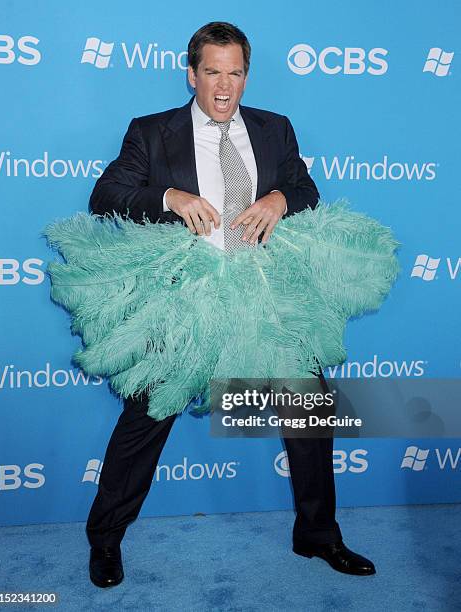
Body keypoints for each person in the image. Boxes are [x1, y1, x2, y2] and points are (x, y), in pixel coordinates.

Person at [86, 21, 376, 588]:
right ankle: (105, 540)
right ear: (191, 74)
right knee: (146, 418)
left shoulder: (275, 129)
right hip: (186, 299)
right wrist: (169, 196)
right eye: (212, 73)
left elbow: (306, 189)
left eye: (235, 73)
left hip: (266, 294)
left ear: (247, 75)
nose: (224, 87)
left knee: (310, 411)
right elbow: (105, 196)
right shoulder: (151, 132)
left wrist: (278, 196)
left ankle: (318, 535)